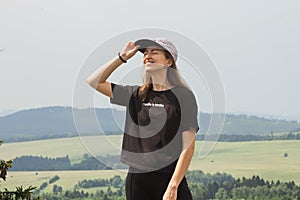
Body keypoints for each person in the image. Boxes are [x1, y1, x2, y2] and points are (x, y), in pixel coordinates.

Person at [87, 38, 199, 200]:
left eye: (154, 52)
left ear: (169, 61)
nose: (147, 56)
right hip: (137, 180)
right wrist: (122, 57)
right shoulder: (136, 95)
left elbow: (188, 147)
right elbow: (94, 81)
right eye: (145, 53)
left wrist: (173, 186)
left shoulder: (184, 97)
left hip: (170, 177)